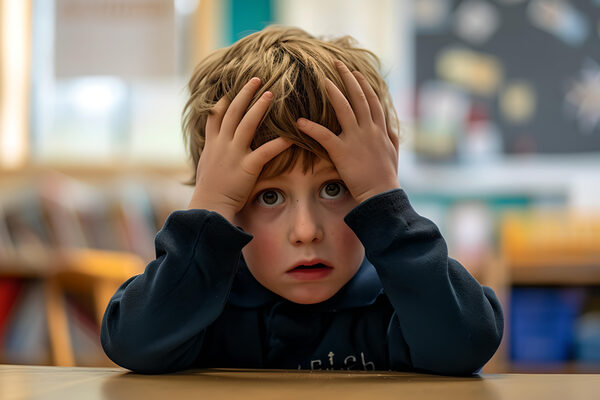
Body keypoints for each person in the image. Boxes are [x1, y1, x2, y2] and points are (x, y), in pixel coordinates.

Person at [100, 26, 503, 375]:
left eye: (335, 189)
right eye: (269, 196)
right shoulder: (199, 299)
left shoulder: (401, 297)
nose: (307, 231)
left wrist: (383, 198)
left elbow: (467, 342)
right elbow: (133, 343)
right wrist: (208, 208)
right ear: (231, 210)